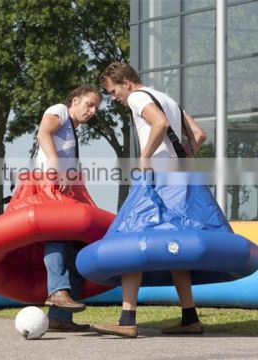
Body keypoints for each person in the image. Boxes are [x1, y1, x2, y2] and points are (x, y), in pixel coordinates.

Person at [92, 61, 208, 338]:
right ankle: (190, 317)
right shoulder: (166, 98)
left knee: (131, 239)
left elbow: (160, 123)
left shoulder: (137, 97)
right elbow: (199, 134)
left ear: (126, 83)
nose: (113, 97)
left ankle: (127, 319)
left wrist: (144, 156)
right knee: (175, 242)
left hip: (156, 178)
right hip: (179, 178)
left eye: (112, 91)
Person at [35, 84, 101, 332]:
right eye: (89, 104)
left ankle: (60, 317)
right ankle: (57, 291)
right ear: (75, 101)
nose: (93, 111)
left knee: (75, 246)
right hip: (46, 183)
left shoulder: (73, 130)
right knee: (59, 237)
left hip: (63, 186)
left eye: (96, 107)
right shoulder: (59, 110)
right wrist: (56, 166)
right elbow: (43, 134)